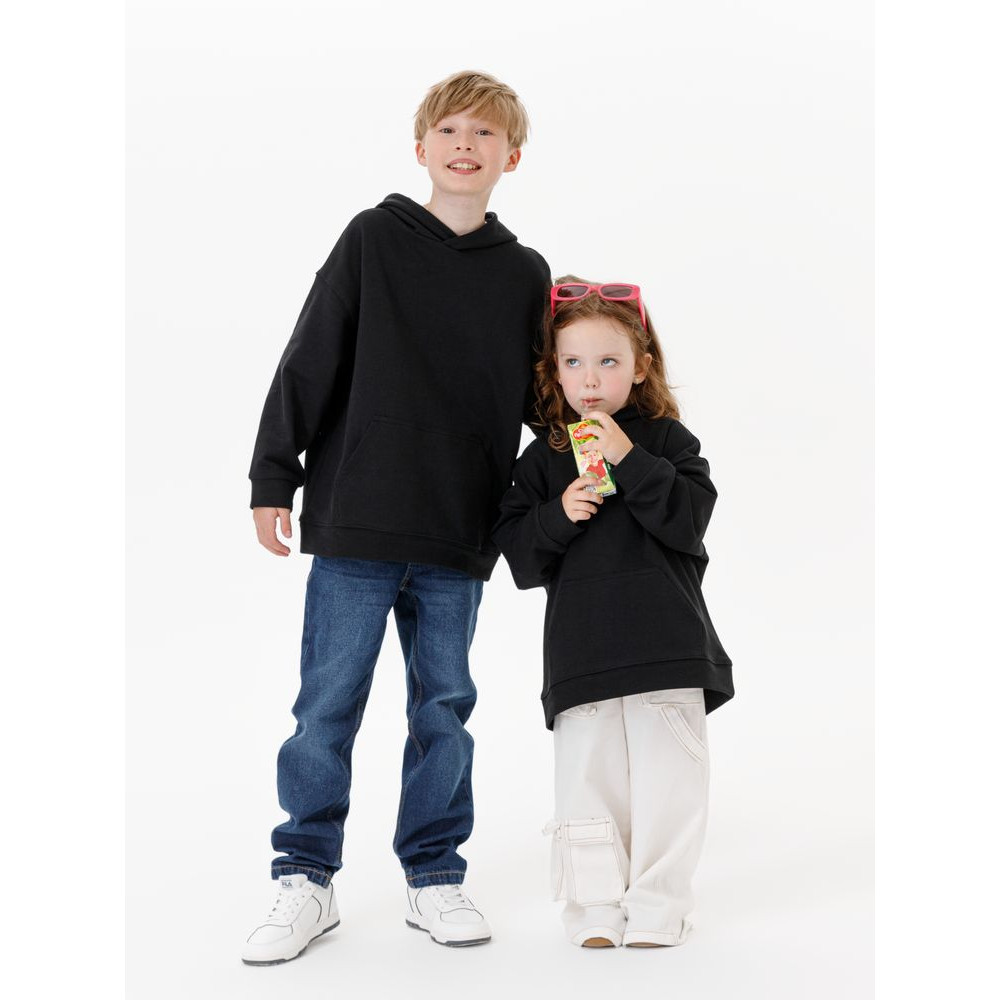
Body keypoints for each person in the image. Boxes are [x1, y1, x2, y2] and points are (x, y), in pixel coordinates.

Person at [242, 70, 550, 965]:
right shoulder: (372, 239)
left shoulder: (524, 274)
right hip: (357, 523)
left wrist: (608, 450)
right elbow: (309, 357)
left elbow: (543, 399)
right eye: (449, 130)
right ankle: (305, 876)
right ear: (421, 148)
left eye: (485, 134)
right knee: (325, 707)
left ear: (512, 157)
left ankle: (434, 873)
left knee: (443, 709)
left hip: (460, 530)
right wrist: (273, 476)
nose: (465, 145)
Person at [492, 277, 734, 948]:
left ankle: (659, 906)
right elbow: (519, 554)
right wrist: (557, 514)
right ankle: (594, 909)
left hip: (668, 649)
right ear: (553, 372)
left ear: (641, 366)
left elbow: (689, 523)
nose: (591, 379)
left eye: (608, 361)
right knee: (586, 785)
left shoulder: (670, 441)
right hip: (584, 655)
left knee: (669, 788)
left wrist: (629, 457)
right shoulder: (544, 457)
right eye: (573, 362)